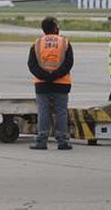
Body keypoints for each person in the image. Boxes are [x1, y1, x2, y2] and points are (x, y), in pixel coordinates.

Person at [27, 16, 74, 150]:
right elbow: (69, 63)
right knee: (61, 112)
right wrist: (55, 75)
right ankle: (62, 141)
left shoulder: (37, 43)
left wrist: (45, 76)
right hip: (61, 83)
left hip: (42, 84)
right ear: (55, 28)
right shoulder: (65, 42)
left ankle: (41, 141)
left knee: (43, 112)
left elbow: (32, 64)